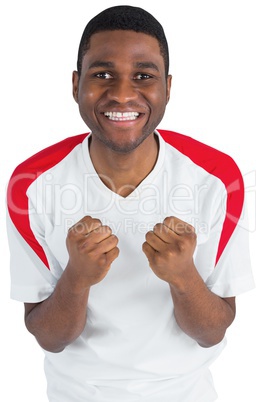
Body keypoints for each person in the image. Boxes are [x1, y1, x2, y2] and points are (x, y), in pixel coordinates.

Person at [6, 5, 255, 402]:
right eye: (102, 74)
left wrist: (184, 277)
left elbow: (213, 333)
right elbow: (49, 339)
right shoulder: (31, 184)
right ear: (75, 84)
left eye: (144, 76)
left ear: (168, 87)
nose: (122, 93)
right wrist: (77, 278)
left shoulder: (216, 178)